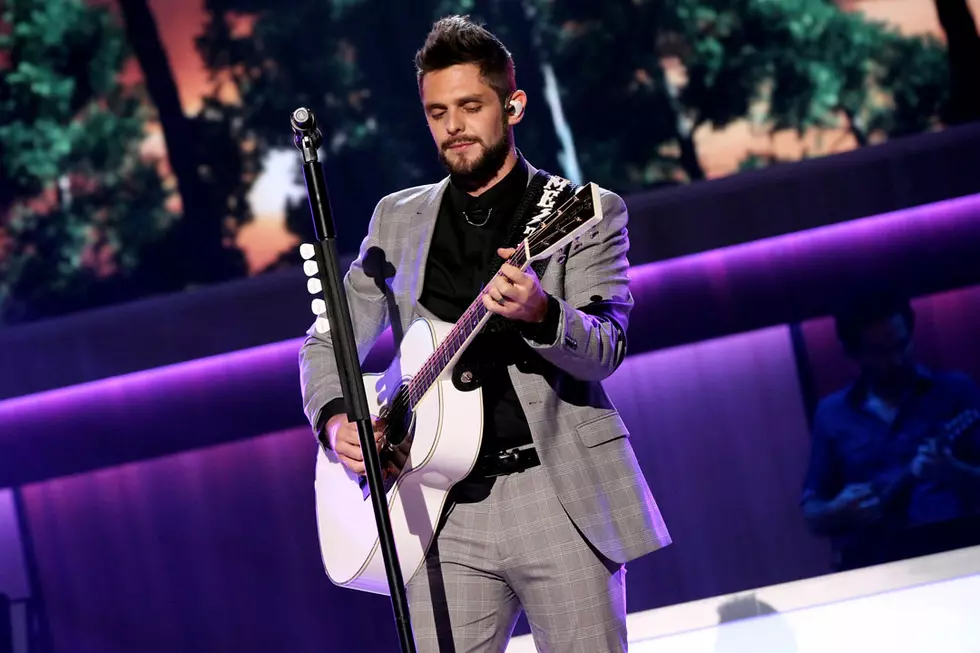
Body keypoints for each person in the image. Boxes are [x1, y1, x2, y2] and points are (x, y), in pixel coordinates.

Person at [298, 14, 671, 652]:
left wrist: (542, 313)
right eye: (437, 111)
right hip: (435, 510)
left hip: (558, 498)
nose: (453, 126)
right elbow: (326, 340)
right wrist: (337, 423)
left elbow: (605, 345)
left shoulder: (582, 212)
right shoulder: (397, 218)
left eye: (470, 106)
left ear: (513, 105)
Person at [800, 291, 980, 570]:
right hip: (873, 567)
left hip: (955, 559)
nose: (896, 359)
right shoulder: (832, 413)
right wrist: (837, 510)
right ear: (852, 353)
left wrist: (954, 472)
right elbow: (811, 512)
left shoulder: (956, 390)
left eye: (902, 344)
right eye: (879, 352)